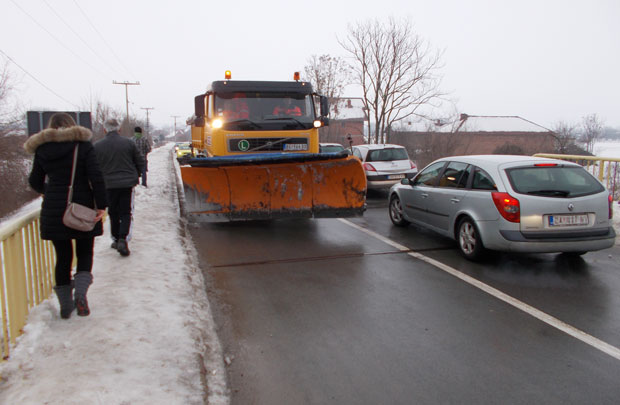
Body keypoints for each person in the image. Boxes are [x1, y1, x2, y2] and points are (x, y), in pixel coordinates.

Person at [24, 112, 107, 319]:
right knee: (85, 252)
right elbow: (96, 176)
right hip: (82, 207)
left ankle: (65, 305)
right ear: (72, 125)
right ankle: (81, 295)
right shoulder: (83, 146)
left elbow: (35, 181)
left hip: (54, 209)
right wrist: (101, 205)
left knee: (63, 257)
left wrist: (50, 190)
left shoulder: (42, 148)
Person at [94, 118, 145, 257]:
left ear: (104, 130)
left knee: (113, 212)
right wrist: (137, 174)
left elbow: (94, 168)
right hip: (127, 184)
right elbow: (140, 160)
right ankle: (123, 238)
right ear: (119, 129)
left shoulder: (97, 146)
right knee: (126, 212)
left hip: (108, 185)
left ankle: (116, 239)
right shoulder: (129, 143)